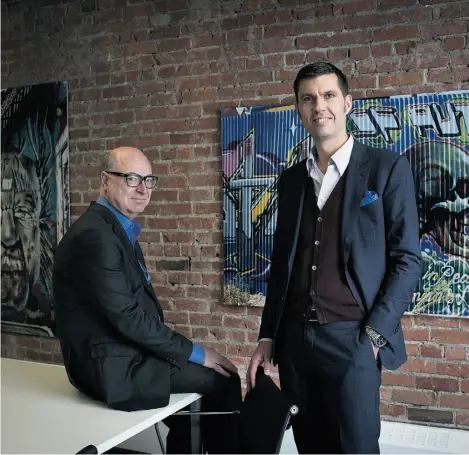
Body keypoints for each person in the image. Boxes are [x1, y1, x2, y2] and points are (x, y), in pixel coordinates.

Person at [247, 62, 422, 454]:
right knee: (310, 447)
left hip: (354, 340)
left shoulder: (385, 169)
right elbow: (283, 264)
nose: (318, 106)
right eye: (308, 98)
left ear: (347, 103)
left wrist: (375, 335)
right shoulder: (291, 179)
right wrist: (267, 335)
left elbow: (408, 259)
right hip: (295, 341)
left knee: (356, 447)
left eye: (328, 95)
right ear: (298, 108)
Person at [53, 146, 241, 454]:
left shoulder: (114, 229)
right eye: (131, 178)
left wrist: (181, 353)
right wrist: (195, 353)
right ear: (104, 181)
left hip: (126, 353)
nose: (142, 188)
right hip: (110, 368)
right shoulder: (95, 236)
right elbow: (128, 317)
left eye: (148, 180)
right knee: (222, 380)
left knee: (201, 394)